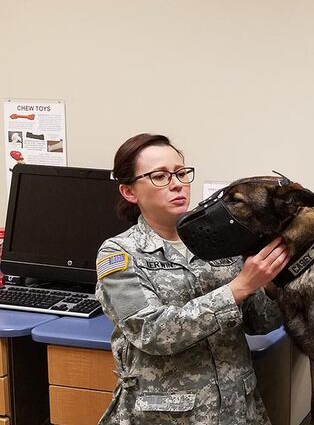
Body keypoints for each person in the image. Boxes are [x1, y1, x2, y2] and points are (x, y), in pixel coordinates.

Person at [96, 133, 289, 424]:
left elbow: (260, 322)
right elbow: (152, 332)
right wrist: (238, 288)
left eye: (181, 173)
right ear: (129, 192)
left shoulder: (219, 241)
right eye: (159, 176)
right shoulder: (120, 253)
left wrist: (272, 283)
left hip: (238, 410)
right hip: (170, 416)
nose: (177, 184)